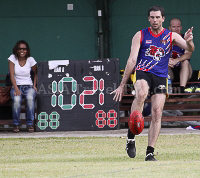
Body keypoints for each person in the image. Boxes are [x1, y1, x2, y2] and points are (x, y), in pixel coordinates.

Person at [111, 6, 194, 161]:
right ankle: (131, 138)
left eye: (157, 17)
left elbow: (190, 50)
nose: (155, 20)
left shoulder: (171, 36)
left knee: (157, 112)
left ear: (163, 19)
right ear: (149, 18)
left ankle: (150, 152)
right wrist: (122, 84)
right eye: (152, 17)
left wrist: (189, 41)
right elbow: (132, 59)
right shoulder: (140, 35)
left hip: (161, 75)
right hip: (143, 72)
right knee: (141, 93)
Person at [8, 40, 37, 133]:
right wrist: (16, 88)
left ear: (27, 50)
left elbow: (36, 73)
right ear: (16, 50)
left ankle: (30, 123)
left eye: (24, 49)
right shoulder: (12, 58)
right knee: (16, 100)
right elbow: (12, 75)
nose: (22, 51)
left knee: (29, 98)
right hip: (16, 86)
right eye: (19, 48)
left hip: (29, 86)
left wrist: (35, 85)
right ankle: (16, 123)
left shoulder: (31, 60)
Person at [168, 18, 193, 93]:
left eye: (178, 26)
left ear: (181, 27)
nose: (176, 29)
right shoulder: (165, 39)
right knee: (163, 63)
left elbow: (188, 55)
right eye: (174, 27)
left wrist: (177, 60)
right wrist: (168, 61)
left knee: (185, 62)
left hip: (185, 72)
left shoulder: (186, 38)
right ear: (170, 28)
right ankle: (167, 88)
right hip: (171, 70)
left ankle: (182, 89)